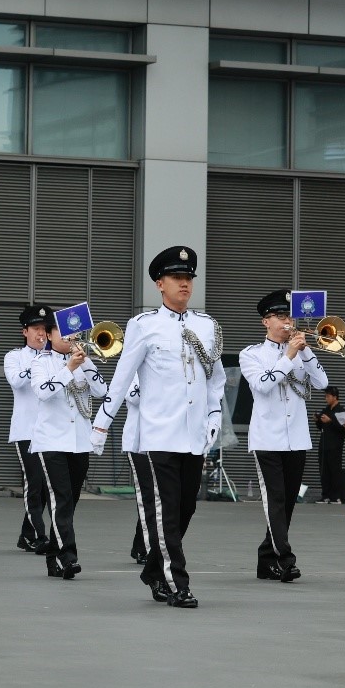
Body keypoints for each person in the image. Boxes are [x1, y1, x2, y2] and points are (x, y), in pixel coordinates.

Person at [93, 246, 227, 609]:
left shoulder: (207, 325)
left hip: (193, 435)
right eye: (176, 278)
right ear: (159, 284)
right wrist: (101, 425)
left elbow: (215, 378)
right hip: (157, 434)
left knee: (185, 509)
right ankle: (176, 582)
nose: (185, 284)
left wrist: (214, 416)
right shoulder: (144, 325)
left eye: (188, 278)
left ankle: (154, 570)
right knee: (166, 512)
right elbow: (122, 377)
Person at [239, 290, 328, 582]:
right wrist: (289, 355)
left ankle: (266, 559)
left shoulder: (301, 352)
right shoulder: (251, 354)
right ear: (266, 321)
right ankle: (285, 560)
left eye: (289, 316)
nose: (287, 321)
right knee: (275, 500)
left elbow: (322, 382)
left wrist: (305, 351)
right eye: (280, 316)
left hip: (297, 438)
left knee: (287, 502)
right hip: (267, 438)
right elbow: (263, 385)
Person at [31, 331, 106, 579]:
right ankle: (68, 557)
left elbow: (101, 390)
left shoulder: (84, 361)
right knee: (61, 499)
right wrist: (69, 368)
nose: (70, 338)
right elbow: (43, 392)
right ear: (49, 335)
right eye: (63, 333)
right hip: (51, 441)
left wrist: (85, 362)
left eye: (74, 334)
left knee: (69, 502)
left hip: (80, 441)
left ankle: (54, 558)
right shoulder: (41, 361)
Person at [5, 305, 55, 554]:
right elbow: (16, 381)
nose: (41, 334)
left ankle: (26, 534)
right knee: (34, 482)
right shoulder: (14, 357)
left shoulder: (55, 357)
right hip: (26, 430)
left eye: (45, 329)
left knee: (46, 485)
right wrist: (40, 362)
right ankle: (38, 535)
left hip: (51, 430)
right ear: (24, 331)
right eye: (36, 328)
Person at [316, 386, 345, 503]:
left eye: (328, 396)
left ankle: (336, 496)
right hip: (324, 445)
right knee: (324, 471)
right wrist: (318, 420)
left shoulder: (342, 411)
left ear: (335, 397)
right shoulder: (326, 410)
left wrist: (330, 420)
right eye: (325, 396)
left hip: (335, 446)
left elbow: (343, 427)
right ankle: (325, 495)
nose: (326, 398)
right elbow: (321, 426)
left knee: (335, 471)